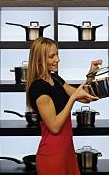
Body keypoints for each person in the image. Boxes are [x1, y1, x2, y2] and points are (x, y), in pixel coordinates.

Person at [26, 37, 101, 175]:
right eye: (52, 56)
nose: (58, 59)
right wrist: (72, 99)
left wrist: (91, 75)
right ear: (39, 60)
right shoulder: (38, 88)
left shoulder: (56, 79)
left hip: (67, 152)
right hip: (52, 156)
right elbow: (54, 127)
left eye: (57, 54)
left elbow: (84, 97)